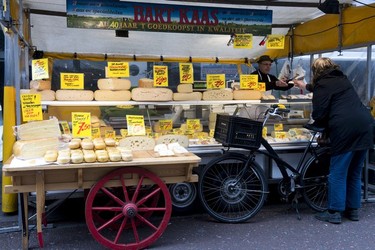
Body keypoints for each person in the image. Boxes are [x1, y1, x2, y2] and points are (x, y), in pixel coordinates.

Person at [294, 57, 373, 224]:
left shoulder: (323, 84)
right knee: (354, 172)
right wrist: (305, 86)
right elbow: (325, 90)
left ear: (316, 72)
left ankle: (334, 212)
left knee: (337, 172)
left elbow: (320, 112)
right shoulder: (341, 79)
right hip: (365, 126)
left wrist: (319, 126)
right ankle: (353, 211)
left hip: (345, 130)